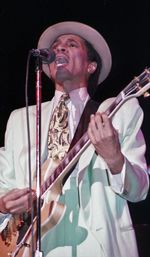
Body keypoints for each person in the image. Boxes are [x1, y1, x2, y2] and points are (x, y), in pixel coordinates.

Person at [0, 21, 149, 257]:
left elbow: (140, 189)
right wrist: (4, 206)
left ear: (91, 66)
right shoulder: (20, 120)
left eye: (71, 44)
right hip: (30, 244)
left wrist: (114, 158)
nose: (59, 49)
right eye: (56, 46)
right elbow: (3, 184)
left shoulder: (118, 111)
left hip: (96, 245)